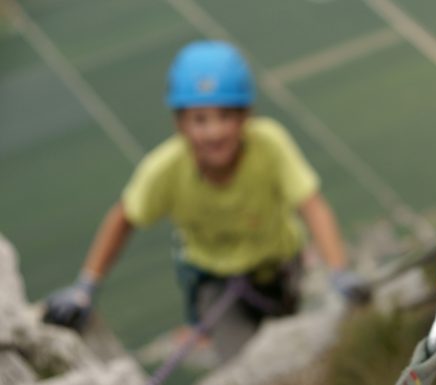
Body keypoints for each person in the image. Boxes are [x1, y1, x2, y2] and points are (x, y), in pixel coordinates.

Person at [43, 40, 369, 359]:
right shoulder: (167, 168)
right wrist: (85, 288)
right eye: (200, 119)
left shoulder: (269, 144)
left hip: (281, 273)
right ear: (180, 123)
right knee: (248, 368)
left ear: (245, 117)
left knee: (296, 355)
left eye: (225, 116)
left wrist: (338, 271)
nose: (214, 132)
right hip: (218, 286)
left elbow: (311, 205)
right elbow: (123, 218)